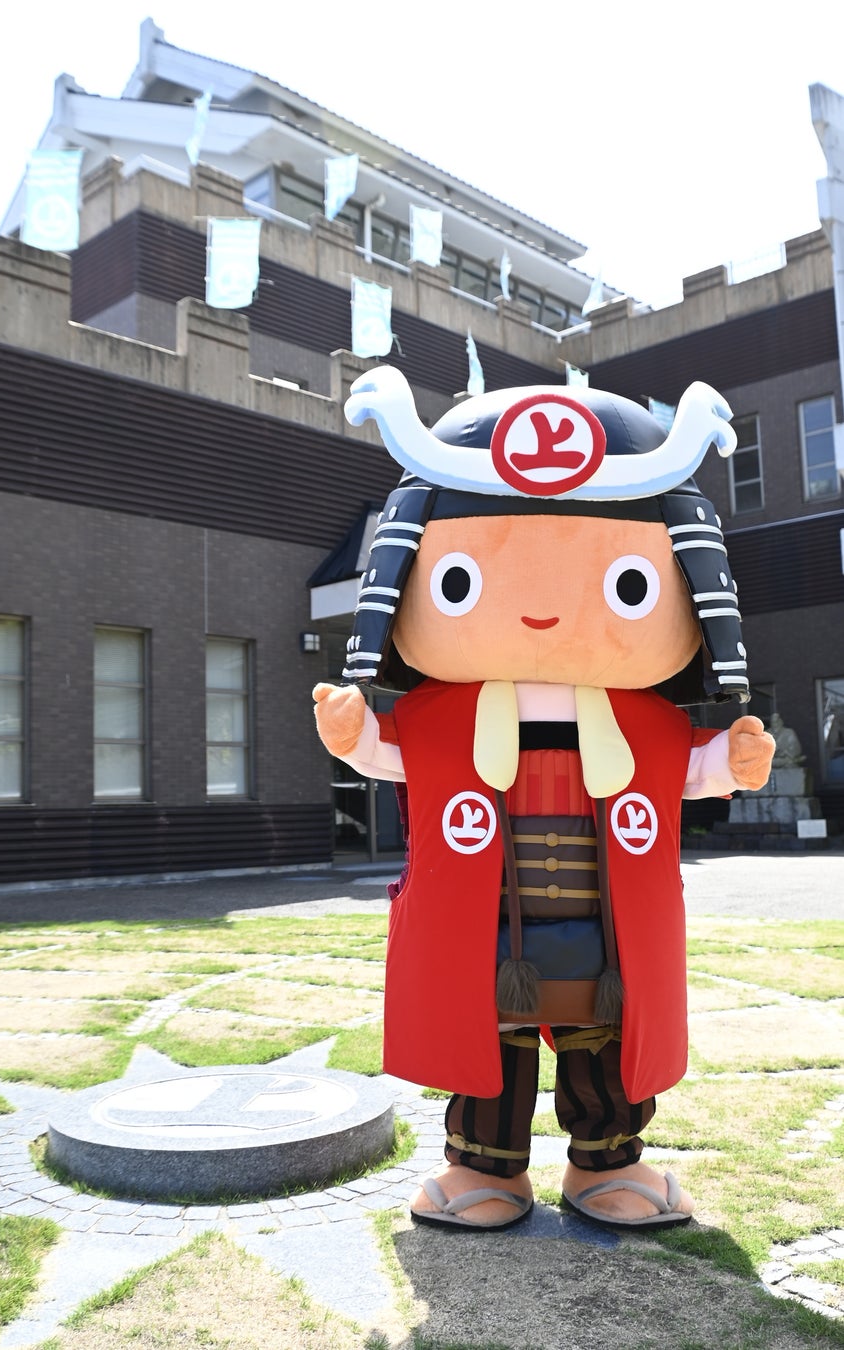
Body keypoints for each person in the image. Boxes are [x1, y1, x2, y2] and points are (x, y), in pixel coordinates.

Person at [314, 368, 774, 1231]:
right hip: (487, 921)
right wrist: (354, 735)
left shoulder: (647, 723)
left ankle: (608, 1162)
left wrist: (732, 760)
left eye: (629, 588)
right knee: (491, 1044)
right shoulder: (441, 718)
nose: (543, 614)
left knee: (605, 1043)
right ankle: (483, 1168)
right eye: (459, 584)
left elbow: (686, 771)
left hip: (606, 924)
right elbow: (393, 755)